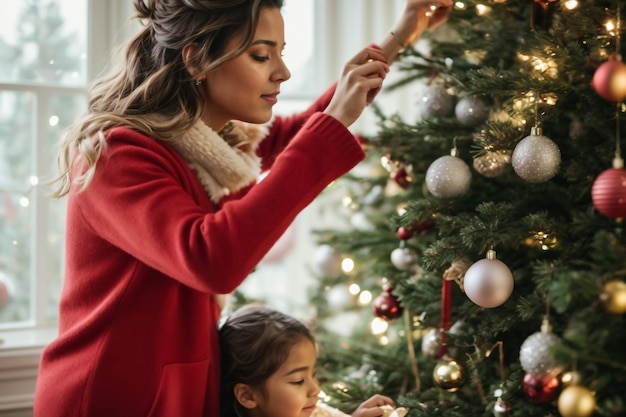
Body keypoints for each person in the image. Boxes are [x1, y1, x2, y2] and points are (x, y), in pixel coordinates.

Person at [33, 0, 452, 416]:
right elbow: (211, 257)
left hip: (175, 390)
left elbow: (299, 134)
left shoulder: (212, 143)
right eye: (260, 55)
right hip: (111, 397)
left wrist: (402, 34)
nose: (282, 72)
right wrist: (334, 123)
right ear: (196, 59)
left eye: (281, 54)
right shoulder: (115, 155)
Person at [219, 304, 403, 417]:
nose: (316, 389)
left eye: (313, 374)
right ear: (248, 396)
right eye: (298, 381)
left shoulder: (312, 412)